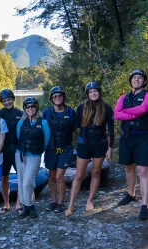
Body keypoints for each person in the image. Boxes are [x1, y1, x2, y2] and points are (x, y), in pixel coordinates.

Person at [65, 82, 114, 216]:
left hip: (100, 144)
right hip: (84, 144)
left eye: (95, 91)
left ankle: (90, 201)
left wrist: (110, 147)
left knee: (96, 173)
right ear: (87, 94)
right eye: (91, 92)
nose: (93, 94)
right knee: (79, 175)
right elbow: (74, 126)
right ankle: (71, 205)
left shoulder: (106, 108)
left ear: (99, 92)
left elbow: (111, 129)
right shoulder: (81, 107)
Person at [114, 69, 148, 219]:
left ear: (144, 81)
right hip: (127, 137)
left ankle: (145, 205)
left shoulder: (147, 95)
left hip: (143, 136)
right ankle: (131, 194)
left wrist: (126, 112)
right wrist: (134, 113)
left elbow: (144, 109)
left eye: (140, 78)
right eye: (134, 78)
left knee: (143, 170)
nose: (136, 80)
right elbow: (116, 114)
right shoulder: (123, 97)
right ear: (131, 81)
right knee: (129, 167)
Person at [15, 97, 50, 218]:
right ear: (25, 109)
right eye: (28, 107)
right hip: (20, 155)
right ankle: (26, 207)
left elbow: (46, 140)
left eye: (33, 106)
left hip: (34, 156)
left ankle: (31, 206)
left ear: (36, 108)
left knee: (27, 182)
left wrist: (38, 151)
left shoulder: (43, 123)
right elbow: (19, 136)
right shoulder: (21, 122)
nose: (30, 109)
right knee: (21, 182)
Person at [43, 86, 75, 213]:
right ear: (52, 98)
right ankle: (54, 201)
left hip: (65, 148)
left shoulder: (71, 111)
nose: (57, 98)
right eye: (55, 96)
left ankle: (61, 203)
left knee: (59, 176)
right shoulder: (47, 112)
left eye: (60, 96)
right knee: (51, 176)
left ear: (63, 97)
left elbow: (74, 128)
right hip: (51, 149)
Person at [0, 89, 23, 214]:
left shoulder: (20, 113)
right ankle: (6, 204)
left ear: (13, 99)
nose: (7, 102)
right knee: (4, 177)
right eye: (4, 101)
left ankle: (19, 202)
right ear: (2, 102)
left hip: (18, 150)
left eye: (9, 100)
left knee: (20, 177)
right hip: (4, 151)